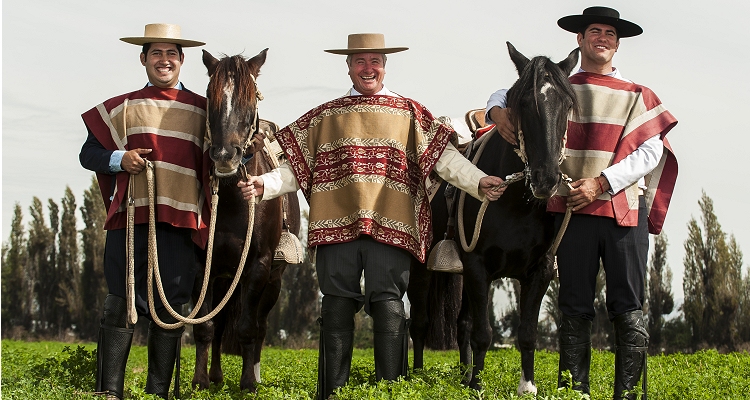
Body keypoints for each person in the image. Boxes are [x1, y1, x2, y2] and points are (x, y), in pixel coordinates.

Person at [238, 33, 506, 399]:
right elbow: (296, 168)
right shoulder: (325, 115)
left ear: (385, 65)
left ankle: (389, 392)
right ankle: (331, 392)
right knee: (335, 306)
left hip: (391, 228)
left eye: (375, 61)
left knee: (389, 306)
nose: (368, 68)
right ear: (348, 66)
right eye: (360, 61)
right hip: (336, 228)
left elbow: (444, 159)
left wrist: (479, 182)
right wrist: (263, 186)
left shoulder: (410, 112)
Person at [486, 7, 678, 399]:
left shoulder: (638, 95)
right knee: (574, 306)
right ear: (580, 39)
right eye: (595, 31)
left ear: (617, 43)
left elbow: (649, 154)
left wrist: (602, 182)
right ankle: (576, 392)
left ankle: (626, 394)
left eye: (610, 32)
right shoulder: (561, 84)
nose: (602, 37)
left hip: (623, 210)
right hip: (571, 213)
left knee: (628, 307)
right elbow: (507, 93)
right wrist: (493, 109)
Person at [79, 24, 209, 400]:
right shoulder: (124, 105)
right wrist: (121, 159)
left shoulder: (203, 110)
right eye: (156, 53)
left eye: (171, 54)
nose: (164, 60)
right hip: (131, 220)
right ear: (143, 59)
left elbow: (227, 154)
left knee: (170, 309)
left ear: (182, 61)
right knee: (119, 302)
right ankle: (109, 392)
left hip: (181, 221)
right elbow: (89, 155)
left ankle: (158, 394)